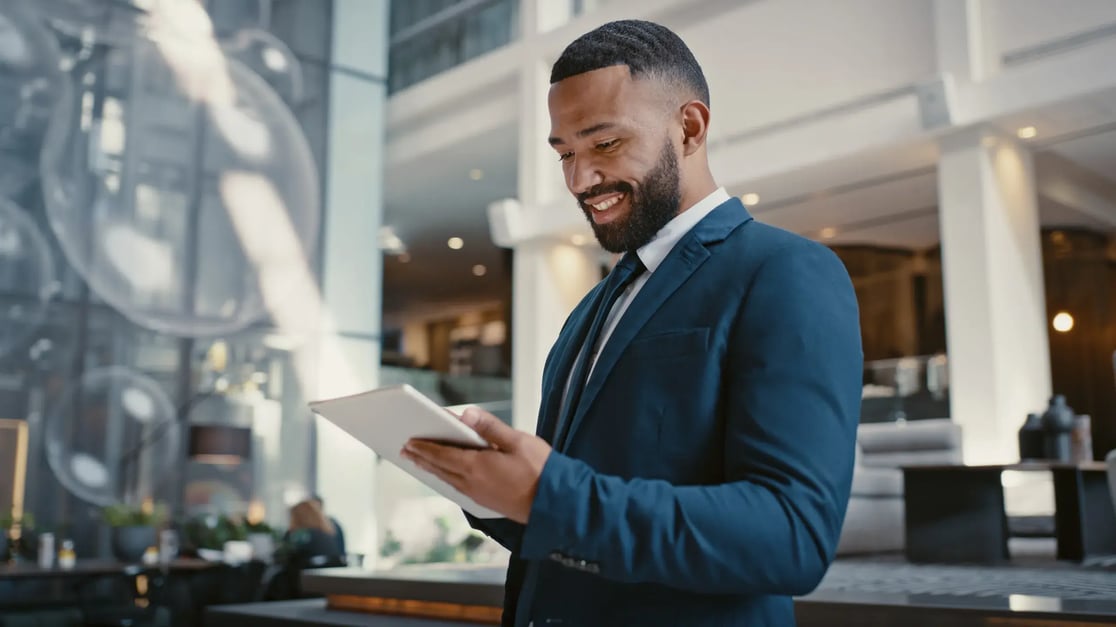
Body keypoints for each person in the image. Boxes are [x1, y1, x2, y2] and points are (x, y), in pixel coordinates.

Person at [402, 19, 863, 627]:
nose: (578, 179)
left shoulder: (786, 272)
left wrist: (549, 494)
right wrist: (486, 488)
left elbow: (791, 537)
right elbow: (574, 532)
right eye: (565, 152)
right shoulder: (592, 310)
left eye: (605, 145)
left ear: (690, 128)